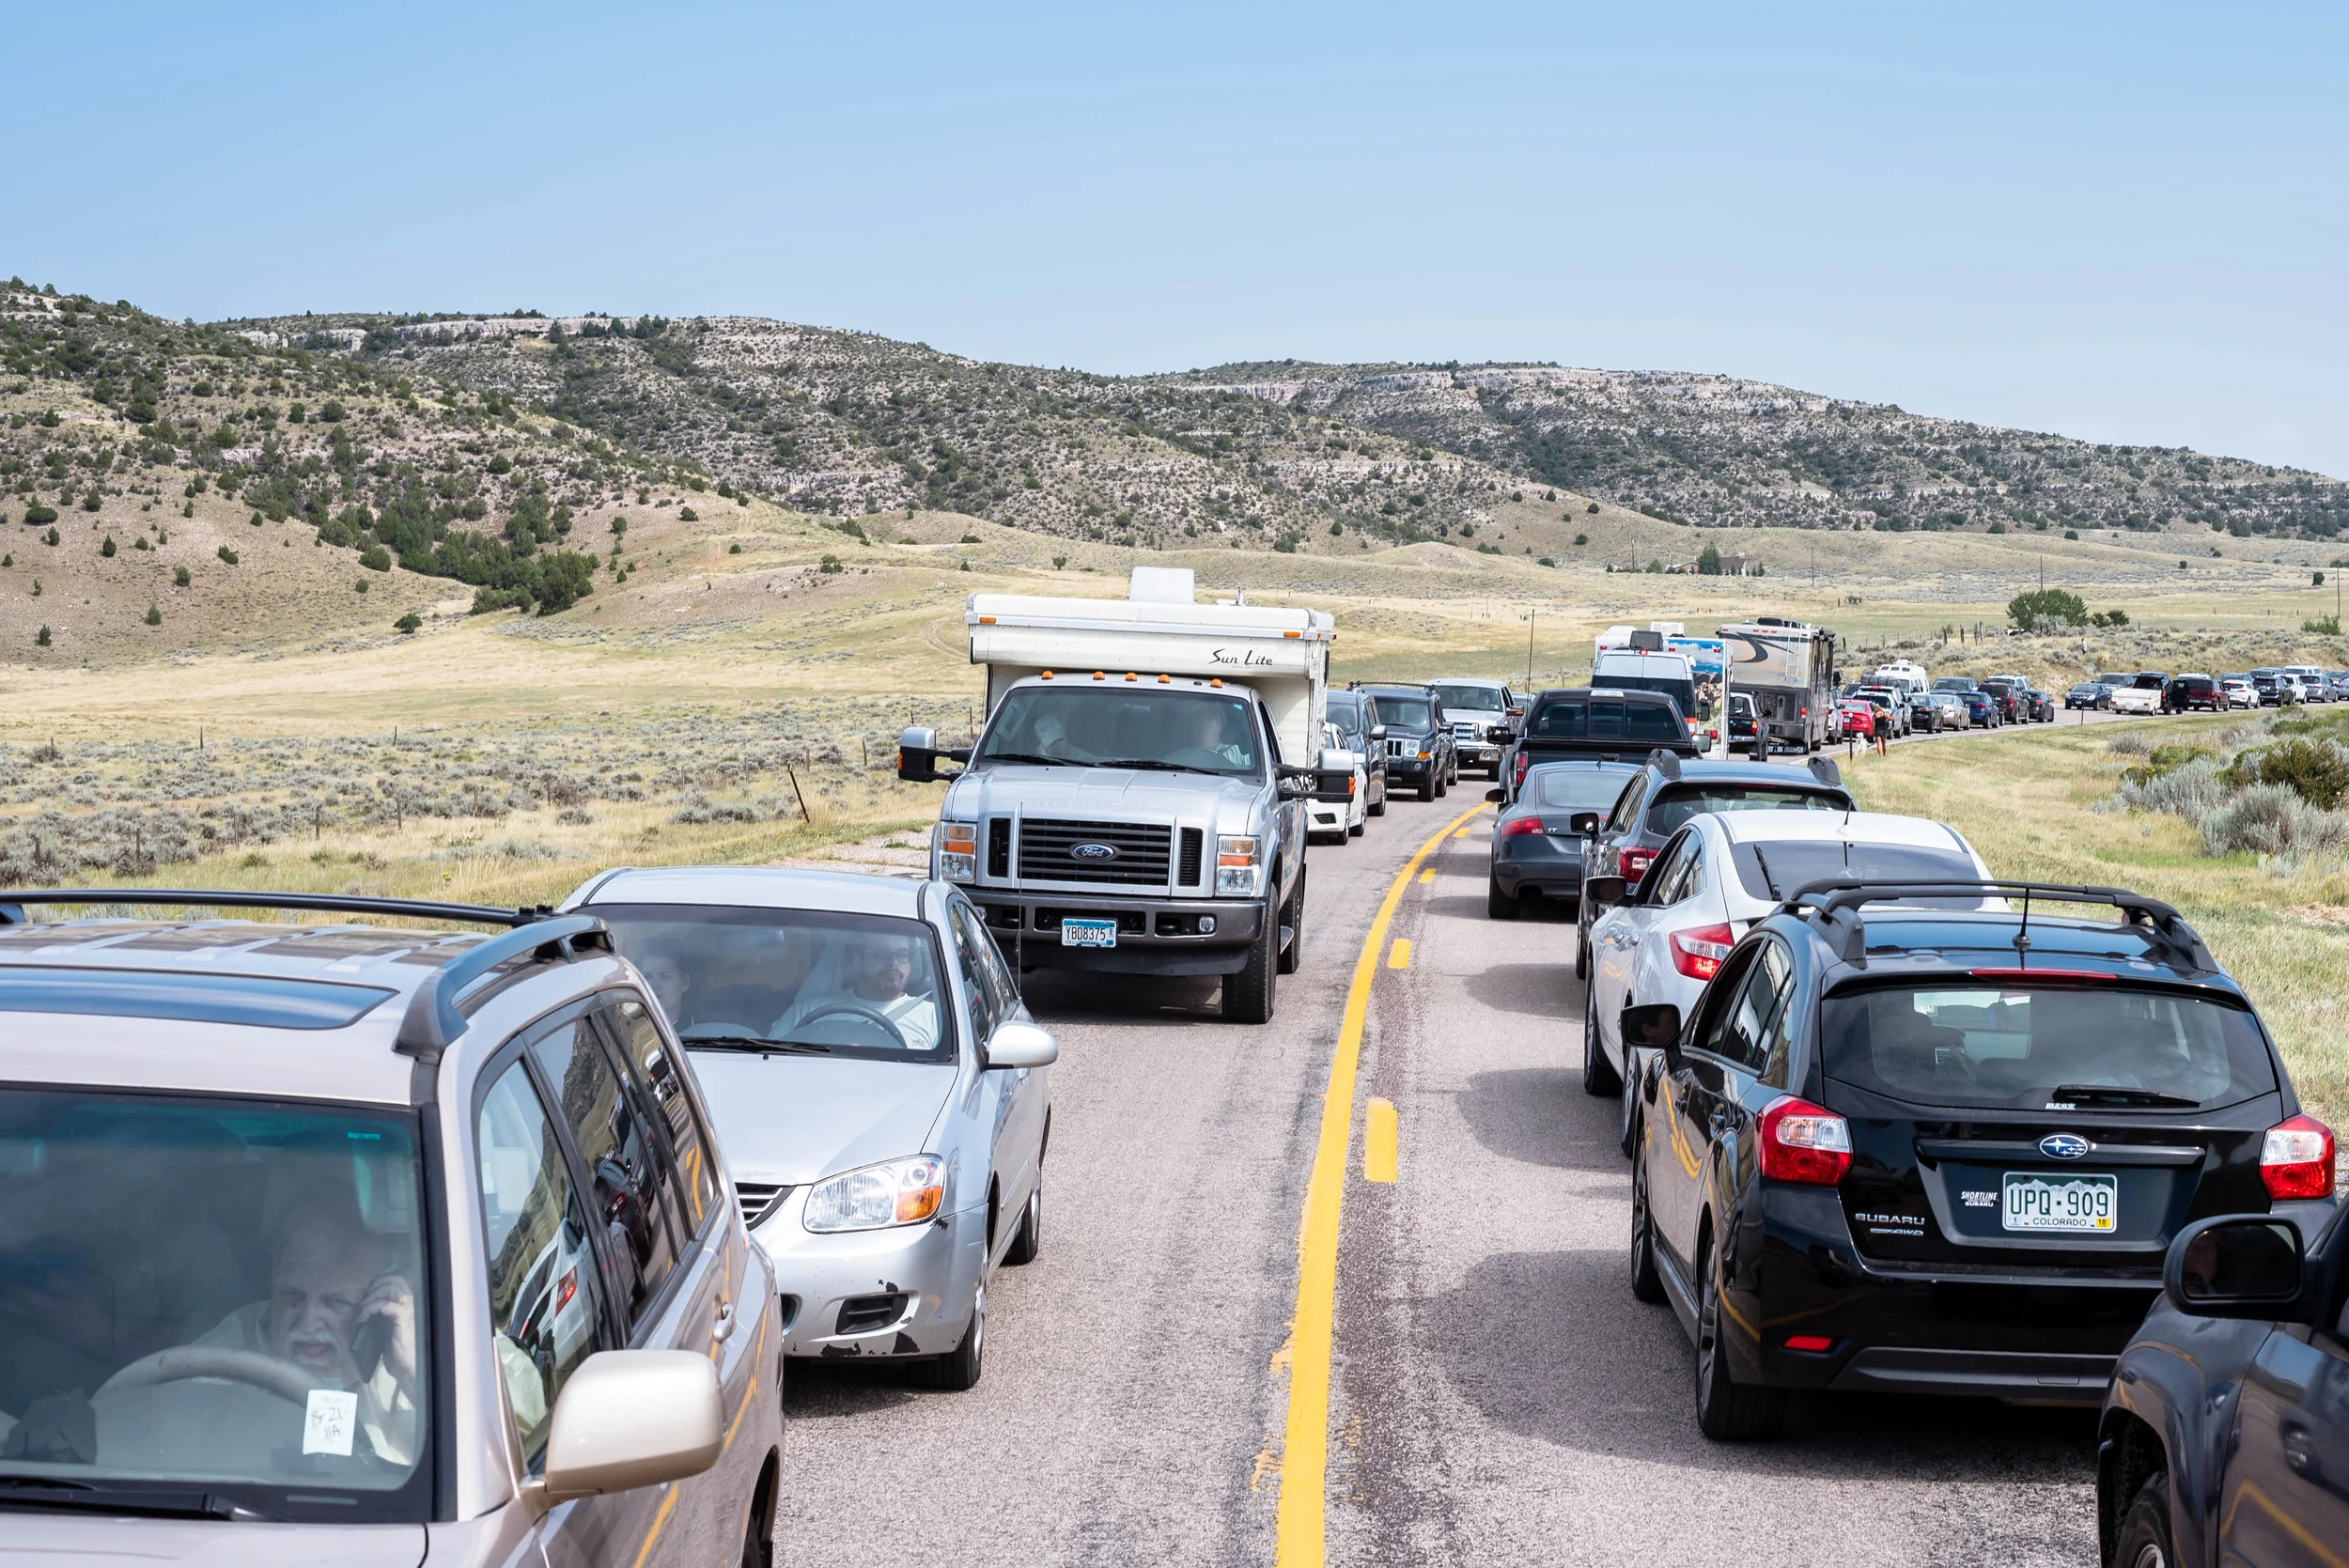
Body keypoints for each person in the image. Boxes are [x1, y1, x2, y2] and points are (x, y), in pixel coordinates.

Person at [195, 1199, 419, 1465]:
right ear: (272, 1283)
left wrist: (411, 1376)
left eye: (337, 1302)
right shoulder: (221, 1357)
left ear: (380, 1302)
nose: (308, 1324)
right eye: (293, 1296)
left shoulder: (406, 1362)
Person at [771, 930, 939, 1051]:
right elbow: (769, 1057)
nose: (893, 963)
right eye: (881, 954)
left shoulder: (934, 1017)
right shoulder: (808, 1010)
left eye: (902, 955)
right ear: (857, 961)